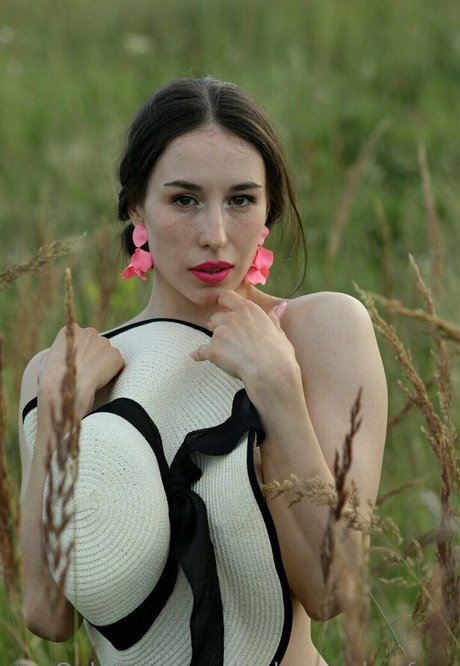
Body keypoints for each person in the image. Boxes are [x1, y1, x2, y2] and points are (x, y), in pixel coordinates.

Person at [18, 77, 387, 665]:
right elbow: (47, 614)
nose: (215, 235)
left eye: (241, 200)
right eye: (184, 200)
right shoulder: (67, 370)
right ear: (136, 206)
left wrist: (277, 388)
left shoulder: (320, 332)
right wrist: (58, 421)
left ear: (268, 210)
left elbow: (334, 589)